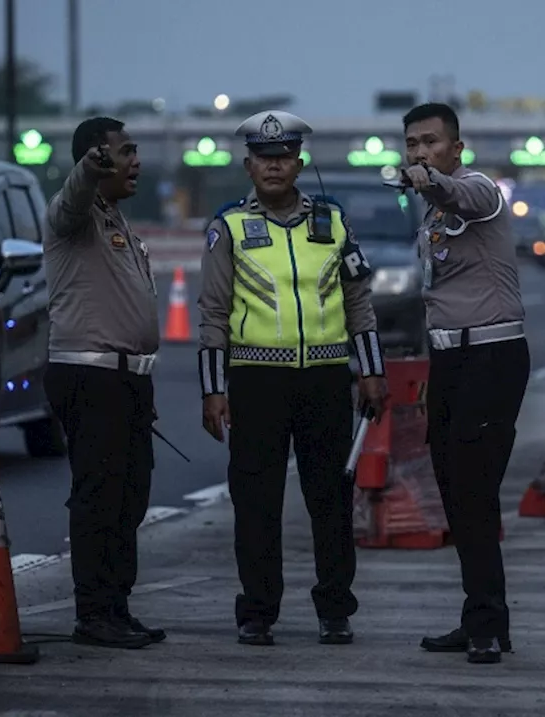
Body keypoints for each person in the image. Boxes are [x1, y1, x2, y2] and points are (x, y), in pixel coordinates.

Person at [196, 110, 389, 648]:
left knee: (331, 500)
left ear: (299, 163)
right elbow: (212, 312)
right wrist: (213, 389)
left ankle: (335, 610)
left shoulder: (333, 221)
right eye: (264, 157)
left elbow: (359, 304)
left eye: (283, 157)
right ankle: (257, 611)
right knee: (256, 502)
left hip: (326, 381)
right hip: (256, 383)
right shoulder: (228, 227)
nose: (274, 166)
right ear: (248, 165)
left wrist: (370, 372)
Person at [399, 102, 529, 665]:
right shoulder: (429, 214)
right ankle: (481, 616)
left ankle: (485, 627)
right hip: (450, 361)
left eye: (430, 141)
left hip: (492, 357)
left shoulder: (477, 191)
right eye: (412, 144)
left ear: (457, 148)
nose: (420, 152)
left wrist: (433, 183)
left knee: (474, 493)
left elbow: (466, 197)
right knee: (456, 494)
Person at [43, 116, 164, 650]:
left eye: (135, 150)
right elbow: (70, 201)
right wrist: (86, 173)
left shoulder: (118, 221)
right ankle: (92, 614)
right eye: (125, 151)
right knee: (98, 498)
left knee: (130, 497)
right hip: (90, 377)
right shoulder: (73, 216)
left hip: (128, 382)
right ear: (96, 158)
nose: (135, 160)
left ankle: (116, 606)